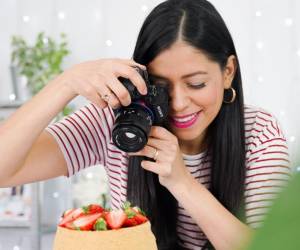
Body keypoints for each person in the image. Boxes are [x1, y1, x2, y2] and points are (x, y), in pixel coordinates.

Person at [0, 0, 291, 249]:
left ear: (228, 72)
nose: (178, 104)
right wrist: (66, 83)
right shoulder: (114, 121)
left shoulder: (259, 133)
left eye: (196, 83)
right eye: (160, 87)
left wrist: (182, 182)